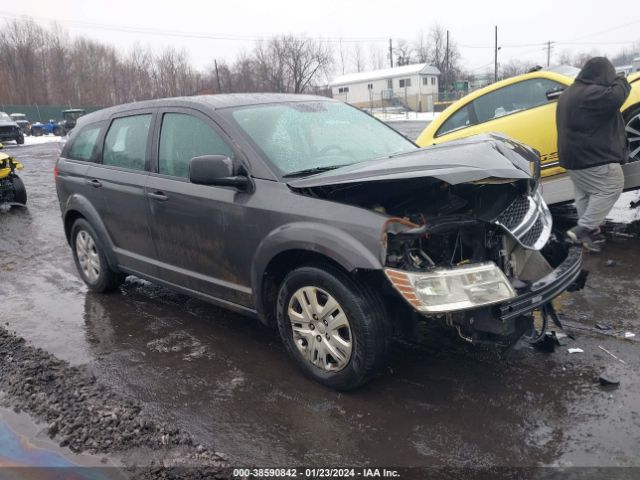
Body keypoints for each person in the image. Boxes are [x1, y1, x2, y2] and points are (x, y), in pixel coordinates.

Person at [556, 57, 631, 252]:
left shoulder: (569, 93)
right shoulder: (593, 93)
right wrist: (621, 79)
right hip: (592, 157)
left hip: (572, 159)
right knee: (612, 184)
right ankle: (584, 229)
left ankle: (589, 235)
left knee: (585, 194)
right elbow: (617, 96)